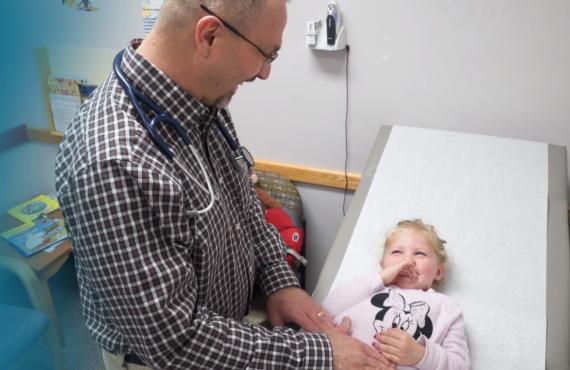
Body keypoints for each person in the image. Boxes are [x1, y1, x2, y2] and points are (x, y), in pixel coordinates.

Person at [54, 0, 392, 369]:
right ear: (210, 35)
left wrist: (279, 282)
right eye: (267, 54)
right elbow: (173, 342)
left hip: (226, 331)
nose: (265, 73)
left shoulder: (200, 101)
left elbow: (244, 204)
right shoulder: (111, 162)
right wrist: (320, 355)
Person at [322, 219, 470, 370]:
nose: (407, 260)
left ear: (439, 271)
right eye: (397, 252)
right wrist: (380, 277)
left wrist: (420, 355)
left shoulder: (447, 308)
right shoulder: (369, 288)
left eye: (420, 253)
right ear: (383, 264)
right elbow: (327, 309)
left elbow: (460, 365)